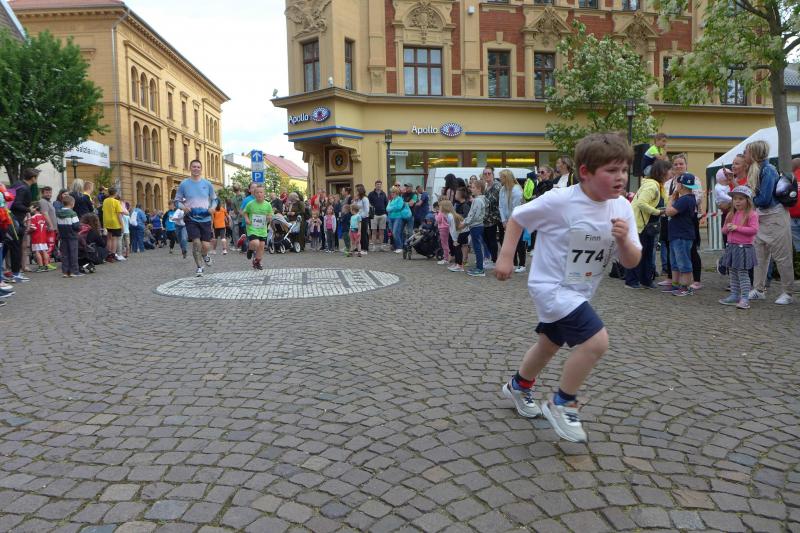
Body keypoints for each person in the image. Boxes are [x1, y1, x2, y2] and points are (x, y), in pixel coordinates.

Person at [496, 132, 641, 443]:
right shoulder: (560, 200)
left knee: (548, 345)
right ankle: (562, 402)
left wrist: (623, 241)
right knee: (596, 342)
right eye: (611, 170)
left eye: (624, 169)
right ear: (585, 172)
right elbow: (517, 218)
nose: (620, 177)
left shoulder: (623, 208)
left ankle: (519, 386)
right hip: (550, 286)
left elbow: (632, 262)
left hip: (581, 290)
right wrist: (506, 256)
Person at [746, 140, 794, 304]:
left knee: (782, 256)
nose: (745, 155)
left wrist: (750, 199)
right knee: (759, 255)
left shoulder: (768, 170)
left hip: (775, 216)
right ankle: (758, 289)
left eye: (747, 152)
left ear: (754, 153)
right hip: (763, 216)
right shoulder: (758, 169)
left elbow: (764, 199)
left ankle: (788, 292)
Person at [626, 159, 669, 289]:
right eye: (669, 170)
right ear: (662, 172)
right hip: (641, 225)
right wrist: (657, 212)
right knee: (639, 253)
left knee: (647, 253)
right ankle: (631, 281)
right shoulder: (652, 186)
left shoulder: (659, 186)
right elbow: (641, 203)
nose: (671, 173)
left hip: (648, 225)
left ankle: (645, 280)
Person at [719, 186, 759, 309]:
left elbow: (754, 230)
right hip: (732, 247)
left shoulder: (752, 214)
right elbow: (723, 230)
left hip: (744, 248)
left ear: (748, 200)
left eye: (741, 199)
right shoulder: (731, 214)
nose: (737, 201)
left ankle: (745, 298)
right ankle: (734, 295)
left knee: (742, 273)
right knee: (732, 272)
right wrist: (727, 227)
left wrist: (737, 228)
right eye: (735, 199)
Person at [176, 160, 218, 276]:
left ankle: (205, 254)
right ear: (190, 168)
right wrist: (184, 207)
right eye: (194, 166)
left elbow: (214, 199)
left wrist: (212, 207)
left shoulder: (207, 184)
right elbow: (177, 201)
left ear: (201, 169)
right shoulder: (184, 184)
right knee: (196, 243)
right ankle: (199, 267)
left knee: (206, 245)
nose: (196, 169)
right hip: (191, 218)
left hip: (205, 218)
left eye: (198, 167)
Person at [664, 172, 699, 296]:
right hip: (677, 234)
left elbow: (669, 212)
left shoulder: (685, 199)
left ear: (681, 185)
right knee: (675, 262)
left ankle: (686, 287)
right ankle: (676, 284)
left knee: (683, 262)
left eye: (677, 184)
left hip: (681, 236)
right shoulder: (688, 198)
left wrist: (671, 199)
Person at [6, 168, 39, 283]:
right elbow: (16, 204)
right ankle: (16, 274)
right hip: (15, 221)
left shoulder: (16, 184)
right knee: (16, 247)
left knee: (6, 248)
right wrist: (29, 210)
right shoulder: (24, 188)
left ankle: (6, 273)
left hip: (8, 219)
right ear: (33, 178)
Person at [498, 169, 526, 273]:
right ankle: (513, 263)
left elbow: (516, 208)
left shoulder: (516, 190)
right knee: (510, 242)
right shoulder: (502, 190)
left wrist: (510, 222)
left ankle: (522, 264)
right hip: (507, 220)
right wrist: (504, 221)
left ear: (506, 178)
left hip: (517, 219)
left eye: (501, 177)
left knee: (519, 242)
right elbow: (501, 206)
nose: (500, 179)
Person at [243, 185, 272, 270]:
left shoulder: (267, 205)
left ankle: (257, 262)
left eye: (261, 192)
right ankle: (250, 250)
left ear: (264, 194)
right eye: (257, 192)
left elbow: (270, 215)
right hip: (252, 228)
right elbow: (245, 212)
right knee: (255, 243)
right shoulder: (250, 204)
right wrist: (247, 219)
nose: (259, 194)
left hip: (262, 229)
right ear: (254, 194)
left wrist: (269, 217)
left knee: (261, 246)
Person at [463, 179, 487, 277]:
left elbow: (474, 215)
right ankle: (478, 267)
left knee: (477, 248)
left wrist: (465, 223)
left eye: (473, 187)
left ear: (479, 189)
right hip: (477, 225)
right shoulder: (480, 199)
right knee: (477, 247)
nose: (471, 189)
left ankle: (480, 269)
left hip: (476, 226)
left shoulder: (477, 200)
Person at [56, 193, 81, 278]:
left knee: (65, 255)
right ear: (72, 204)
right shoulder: (72, 213)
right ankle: (74, 271)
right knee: (73, 254)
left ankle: (65, 272)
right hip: (72, 236)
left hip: (63, 236)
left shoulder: (58, 213)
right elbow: (76, 226)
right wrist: (79, 228)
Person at [481, 167, 501, 268]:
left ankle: (495, 260)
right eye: (485, 174)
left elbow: (492, 200)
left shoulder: (496, 185)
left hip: (493, 217)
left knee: (492, 239)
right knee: (486, 238)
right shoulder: (485, 185)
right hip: (485, 217)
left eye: (489, 173)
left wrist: (480, 199)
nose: (487, 175)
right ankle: (492, 259)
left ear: (493, 174)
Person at [102, 187, 125, 262]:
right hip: (115, 222)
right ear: (115, 193)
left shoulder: (105, 201)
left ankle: (108, 254)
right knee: (114, 239)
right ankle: (113, 255)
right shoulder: (116, 202)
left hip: (107, 222)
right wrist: (122, 225)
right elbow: (119, 215)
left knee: (109, 238)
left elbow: (103, 211)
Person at [387, 185, 412, 253]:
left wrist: (391, 208)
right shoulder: (391, 200)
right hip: (391, 218)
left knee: (395, 232)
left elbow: (399, 207)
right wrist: (393, 208)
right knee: (394, 233)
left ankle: (399, 247)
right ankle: (400, 246)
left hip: (398, 218)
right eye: (391, 192)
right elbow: (387, 208)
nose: (392, 194)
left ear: (397, 193)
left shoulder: (400, 199)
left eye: (393, 192)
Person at [29, 205, 50, 273]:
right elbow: (45, 227)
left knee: (37, 251)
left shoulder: (33, 217)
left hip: (36, 237)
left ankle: (40, 267)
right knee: (44, 251)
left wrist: (28, 231)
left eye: (31, 207)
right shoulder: (43, 216)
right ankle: (46, 266)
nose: (30, 209)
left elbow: (33, 228)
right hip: (43, 237)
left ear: (35, 209)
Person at [368, 180, 389, 250]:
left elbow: (386, 204)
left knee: (381, 231)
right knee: (373, 231)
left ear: (381, 185)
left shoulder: (383, 193)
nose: (379, 185)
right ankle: (374, 246)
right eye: (377, 184)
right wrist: (371, 208)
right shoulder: (371, 194)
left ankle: (381, 246)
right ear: (375, 185)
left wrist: (386, 213)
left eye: (380, 184)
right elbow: (368, 203)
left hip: (383, 215)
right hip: (374, 215)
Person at [354, 184, 370, 253]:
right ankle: (359, 247)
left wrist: (360, 217)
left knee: (363, 233)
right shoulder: (358, 199)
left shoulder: (365, 199)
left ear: (360, 191)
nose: (355, 192)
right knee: (359, 233)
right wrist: (355, 200)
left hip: (363, 218)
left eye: (357, 191)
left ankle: (365, 248)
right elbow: (355, 207)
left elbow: (367, 210)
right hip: (358, 218)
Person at [435, 201, 451, 265]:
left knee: (444, 244)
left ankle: (446, 259)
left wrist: (436, 215)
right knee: (447, 243)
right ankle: (448, 257)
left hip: (442, 228)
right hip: (448, 228)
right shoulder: (448, 212)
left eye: (440, 206)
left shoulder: (441, 212)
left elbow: (438, 220)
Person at [790, 157, 800, 253]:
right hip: (792, 217)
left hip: (792, 217)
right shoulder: (789, 176)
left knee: (798, 246)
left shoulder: (789, 177)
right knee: (798, 247)